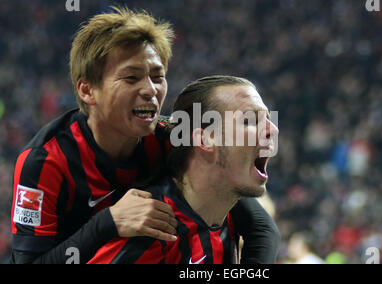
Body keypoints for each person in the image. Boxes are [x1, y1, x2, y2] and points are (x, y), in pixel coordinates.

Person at [10, 8, 280, 264]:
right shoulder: (45, 162)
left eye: (157, 76)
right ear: (87, 90)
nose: (150, 89)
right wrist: (107, 223)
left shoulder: (167, 135)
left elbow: (260, 226)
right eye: (131, 77)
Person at [88, 75, 279, 263]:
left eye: (268, 119)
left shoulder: (226, 218)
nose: (274, 129)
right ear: (205, 139)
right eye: (250, 120)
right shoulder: (151, 233)